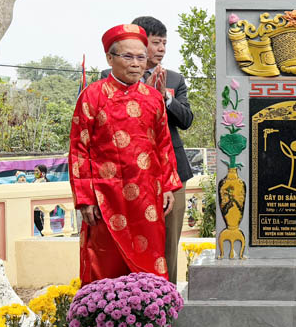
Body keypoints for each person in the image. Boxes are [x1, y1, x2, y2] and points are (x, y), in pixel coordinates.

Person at [69, 23, 182, 286]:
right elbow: (78, 151)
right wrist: (85, 198)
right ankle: (101, 325)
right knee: (104, 264)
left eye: (141, 57)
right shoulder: (92, 96)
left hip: (147, 197)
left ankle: (153, 322)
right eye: (127, 57)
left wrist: (167, 186)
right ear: (110, 58)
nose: (135, 64)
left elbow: (163, 145)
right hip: (105, 199)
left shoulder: (154, 98)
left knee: (151, 263)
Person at [102, 16, 194, 284]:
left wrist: (164, 97)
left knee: (168, 241)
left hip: (171, 173)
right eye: (156, 42)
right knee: (128, 240)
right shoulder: (109, 79)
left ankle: (166, 300)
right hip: (126, 174)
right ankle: (129, 304)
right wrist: (143, 92)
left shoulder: (174, 79)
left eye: (165, 43)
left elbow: (186, 120)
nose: (161, 48)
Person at [33, 164, 48, 233]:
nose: (35, 172)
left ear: (43, 172)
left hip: (40, 208)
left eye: (37, 171)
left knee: (42, 226)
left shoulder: (44, 181)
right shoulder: (35, 181)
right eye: (34, 171)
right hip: (34, 207)